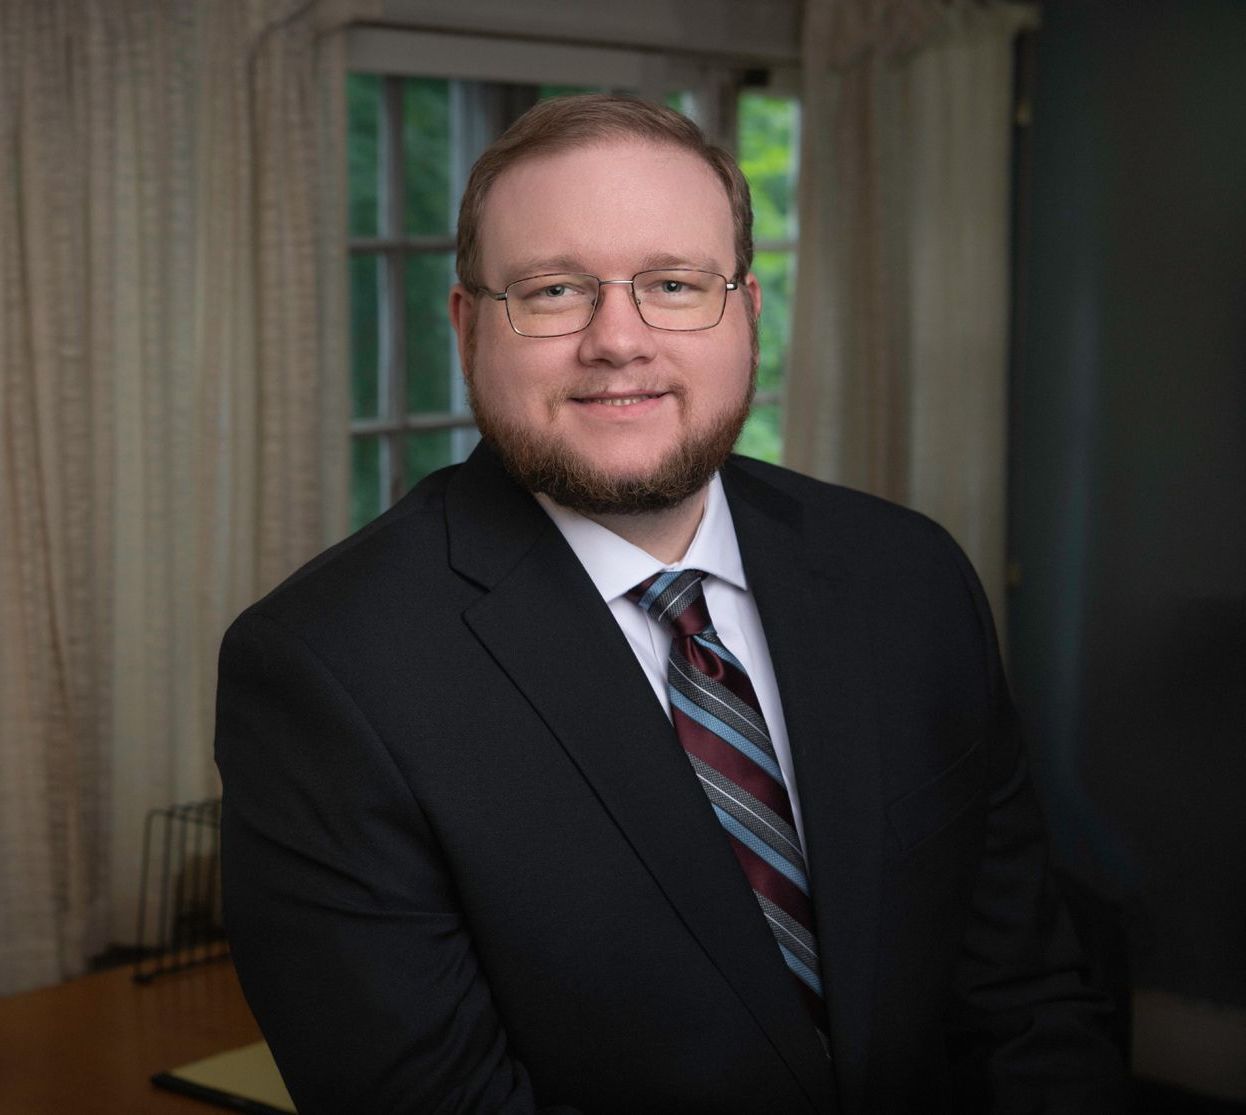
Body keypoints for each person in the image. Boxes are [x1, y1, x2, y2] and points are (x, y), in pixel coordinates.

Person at [215, 94, 1122, 1113]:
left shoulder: (907, 576)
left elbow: (1025, 1000)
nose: (618, 339)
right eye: (554, 289)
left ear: (746, 310)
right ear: (469, 325)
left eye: (674, 283)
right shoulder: (324, 670)